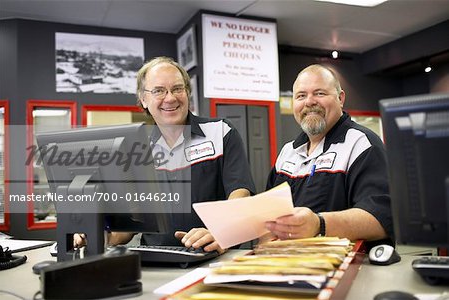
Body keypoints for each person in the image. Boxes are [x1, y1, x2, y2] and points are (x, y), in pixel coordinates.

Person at [74, 57, 255, 253]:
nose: (170, 98)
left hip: (213, 257)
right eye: (159, 90)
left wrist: (221, 230)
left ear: (187, 92)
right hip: (157, 261)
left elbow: (240, 194)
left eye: (177, 88)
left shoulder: (221, 132)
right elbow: (129, 225)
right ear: (143, 99)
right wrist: (100, 234)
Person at [264, 64, 393, 245]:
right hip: (290, 265)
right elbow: (267, 216)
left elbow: (382, 218)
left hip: (352, 268)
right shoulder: (287, 152)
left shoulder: (362, 144)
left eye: (319, 93)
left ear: (340, 99)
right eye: (301, 96)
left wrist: (320, 224)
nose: (309, 102)